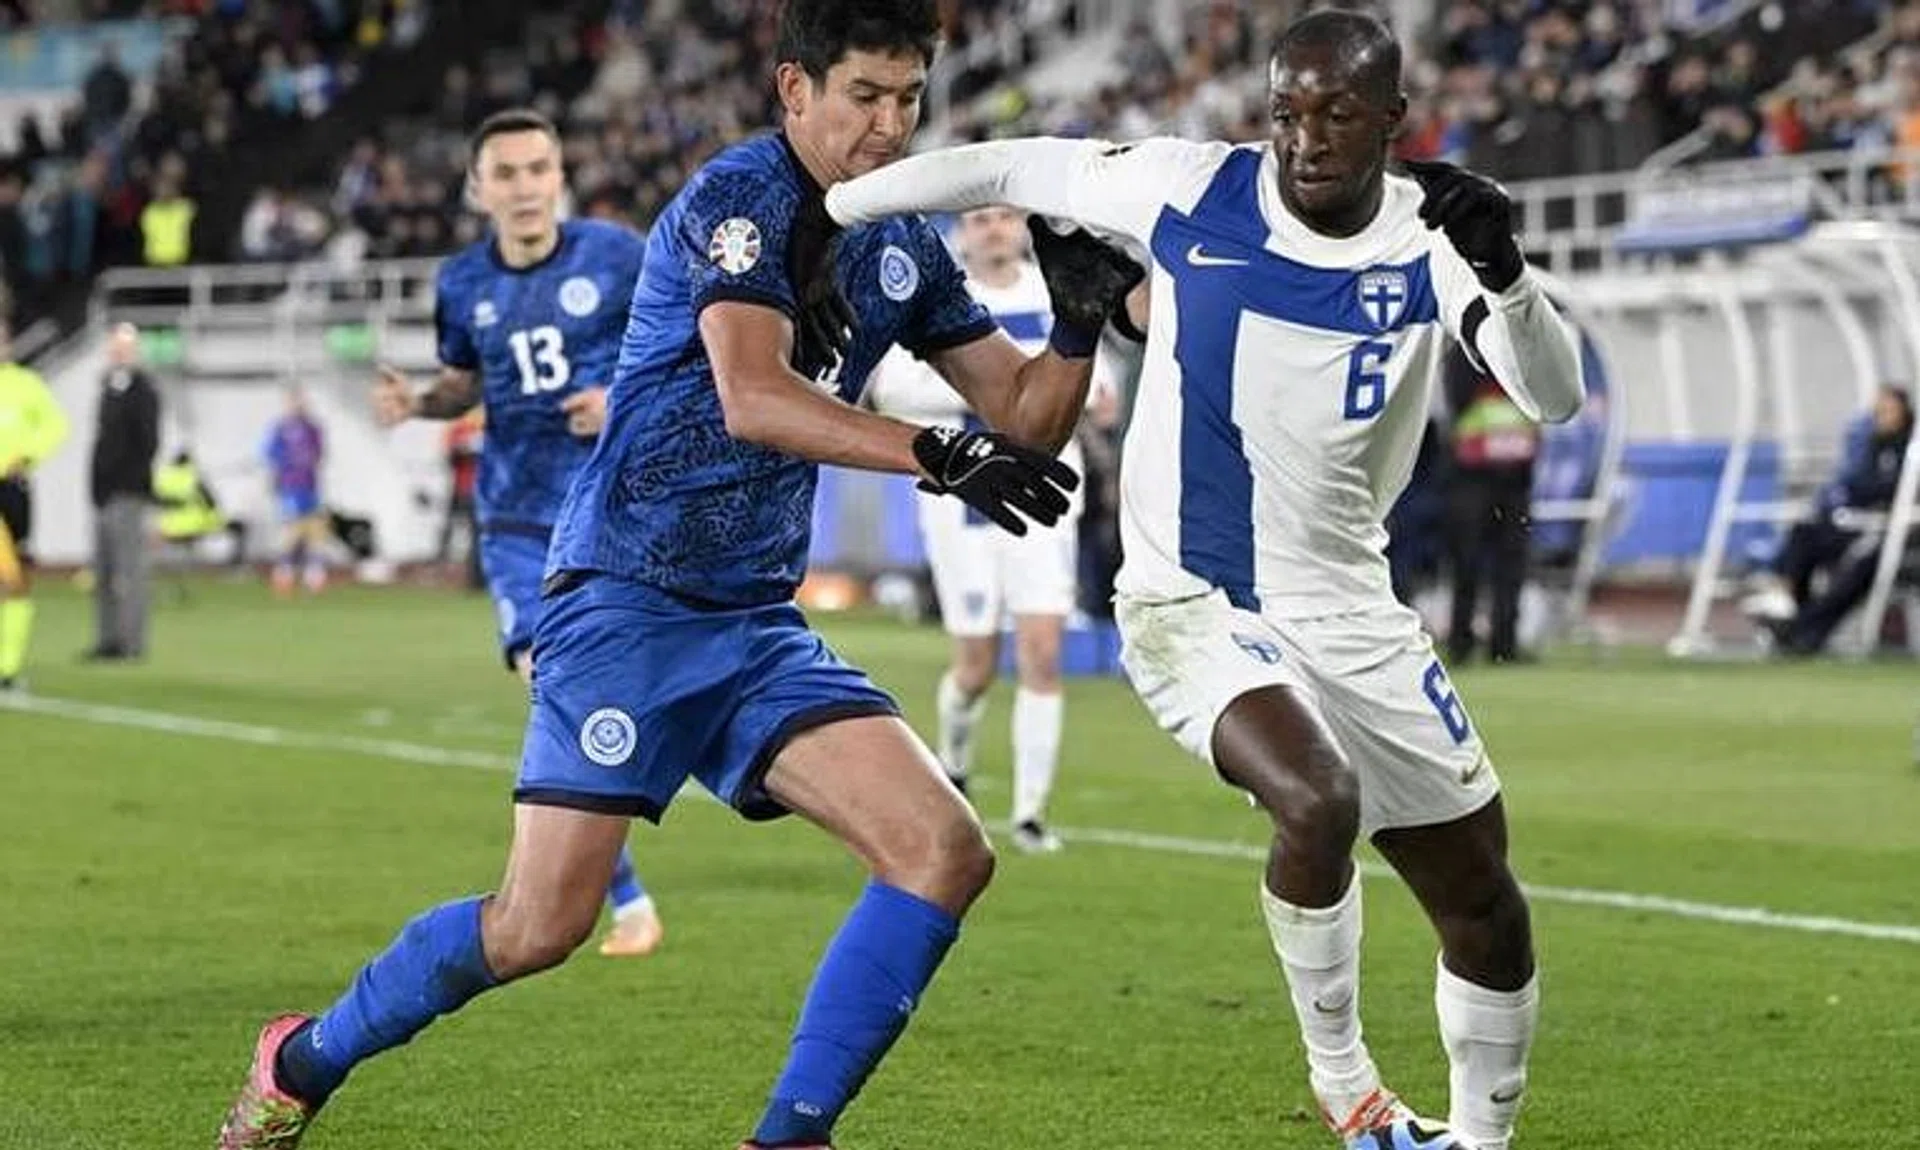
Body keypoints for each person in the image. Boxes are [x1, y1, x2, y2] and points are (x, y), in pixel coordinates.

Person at [213, 3, 1138, 1145]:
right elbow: (753, 398)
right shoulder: (736, 200)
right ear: (795, 88)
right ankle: (301, 1059)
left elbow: (1024, 416)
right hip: (625, 602)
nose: (891, 126)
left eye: (910, 98)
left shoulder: (904, 242)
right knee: (536, 927)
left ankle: (789, 1133)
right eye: (865, 96)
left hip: (754, 620)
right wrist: (939, 453)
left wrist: (1082, 324)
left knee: (944, 849)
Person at [822, 9, 1585, 1150]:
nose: (1306, 138)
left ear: (1391, 121)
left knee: (1485, 904)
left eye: (1335, 115)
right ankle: (1349, 1090)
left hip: (1351, 602)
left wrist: (1509, 280)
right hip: (1193, 596)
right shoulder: (1193, 186)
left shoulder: (1435, 233)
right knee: (1315, 798)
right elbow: (1005, 162)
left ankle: (1480, 1139)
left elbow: (1552, 396)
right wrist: (827, 201)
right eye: (1286, 111)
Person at [370, 107, 663, 961]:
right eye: (507, 173)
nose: (525, 187)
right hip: (517, 519)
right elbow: (466, 381)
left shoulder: (617, 256)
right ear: (477, 189)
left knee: (630, 695)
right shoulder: (463, 283)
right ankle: (628, 897)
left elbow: (684, 349)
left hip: (617, 512)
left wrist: (621, 400)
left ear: (560, 176)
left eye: (539, 169)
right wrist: (418, 403)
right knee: (554, 688)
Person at [866, 204, 1119, 853]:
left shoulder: (1053, 290)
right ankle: (954, 762)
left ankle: (1031, 815)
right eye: (980, 220)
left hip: (1045, 496)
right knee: (975, 666)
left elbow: (1101, 393)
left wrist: (1022, 394)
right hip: (960, 502)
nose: (995, 229)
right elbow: (892, 393)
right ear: (962, 234)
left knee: (1041, 651)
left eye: (1004, 217)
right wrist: (1009, 390)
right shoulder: (940, 300)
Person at [1743, 384, 1916, 656]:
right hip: (1857, 522)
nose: (1881, 416)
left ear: (1904, 412)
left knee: (1861, 566)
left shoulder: (1912, 449)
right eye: (1878, 411)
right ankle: (1785, 600)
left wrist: (1870, 491)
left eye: (1888, 410)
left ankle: (1802, 629)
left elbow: (1893, 489)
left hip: (1896, 532)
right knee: (1805, 533)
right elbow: (1856, 485)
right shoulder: (1870, 446)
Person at [1441, 343, 1541, 664]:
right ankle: (1461, 642)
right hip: (1473, 475)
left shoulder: (1524, 351)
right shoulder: (1465, 353)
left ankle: (1503, 644)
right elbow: (1459, 399)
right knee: (1467, 563)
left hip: (1514, 477)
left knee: (1510, 565)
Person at [0, 318, 70, 690]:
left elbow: (56, 427)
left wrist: (28, 456)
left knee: (17, 580)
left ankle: (8, 667)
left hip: (12, 489)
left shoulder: (26, 385)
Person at [87, 321, 160, 661]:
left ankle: (132, 642)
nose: (117, 352)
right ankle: (108, 639)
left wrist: (130, 479)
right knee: (103, 573)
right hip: (103, 493)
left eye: (124, 347)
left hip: (128, 492)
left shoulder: (143, 389)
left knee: (130, 572)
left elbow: (148, 442)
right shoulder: (108, 386)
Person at [262, 388, 330, 596]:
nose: (297, 405)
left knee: (316, 529)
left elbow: (320, 455)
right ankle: (284, 573)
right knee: (294, 530)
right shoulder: (280, 429)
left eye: (300, 401)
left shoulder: (312, 428)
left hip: (310, 486)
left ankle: (313, 574)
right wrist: (275, 480)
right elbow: (270, 456)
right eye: (293, 402)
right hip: (290, 486)